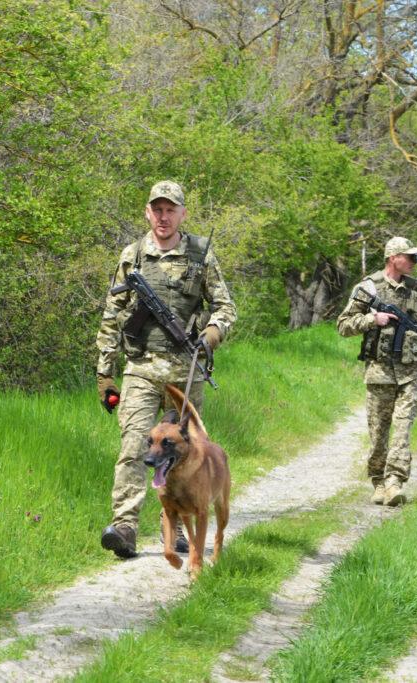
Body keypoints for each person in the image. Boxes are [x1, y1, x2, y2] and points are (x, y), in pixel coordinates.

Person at [95, 180, 237, 558]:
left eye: (170, 209)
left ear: (182, 213)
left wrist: (211, 334)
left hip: (184, 370)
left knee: (184, 454)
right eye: (157, 209)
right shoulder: (133, 255)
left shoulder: (201, 254)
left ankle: (174, 528)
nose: (163, 216)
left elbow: (226, 308)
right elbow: (112, 316)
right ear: (147, 212)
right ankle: (124, 526)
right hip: (140, 368)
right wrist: (105, 374)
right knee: (133, 445)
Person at [336, 236, 417, 506]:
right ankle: (379, 482)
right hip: (379, 372)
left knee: (403, 429)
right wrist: (372, 318)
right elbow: (343, 324)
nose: (415, 262)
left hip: (410, 371)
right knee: (379, 433)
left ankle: (395, 482)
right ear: (393, 258)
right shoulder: (369, 288)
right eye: (410, 257)